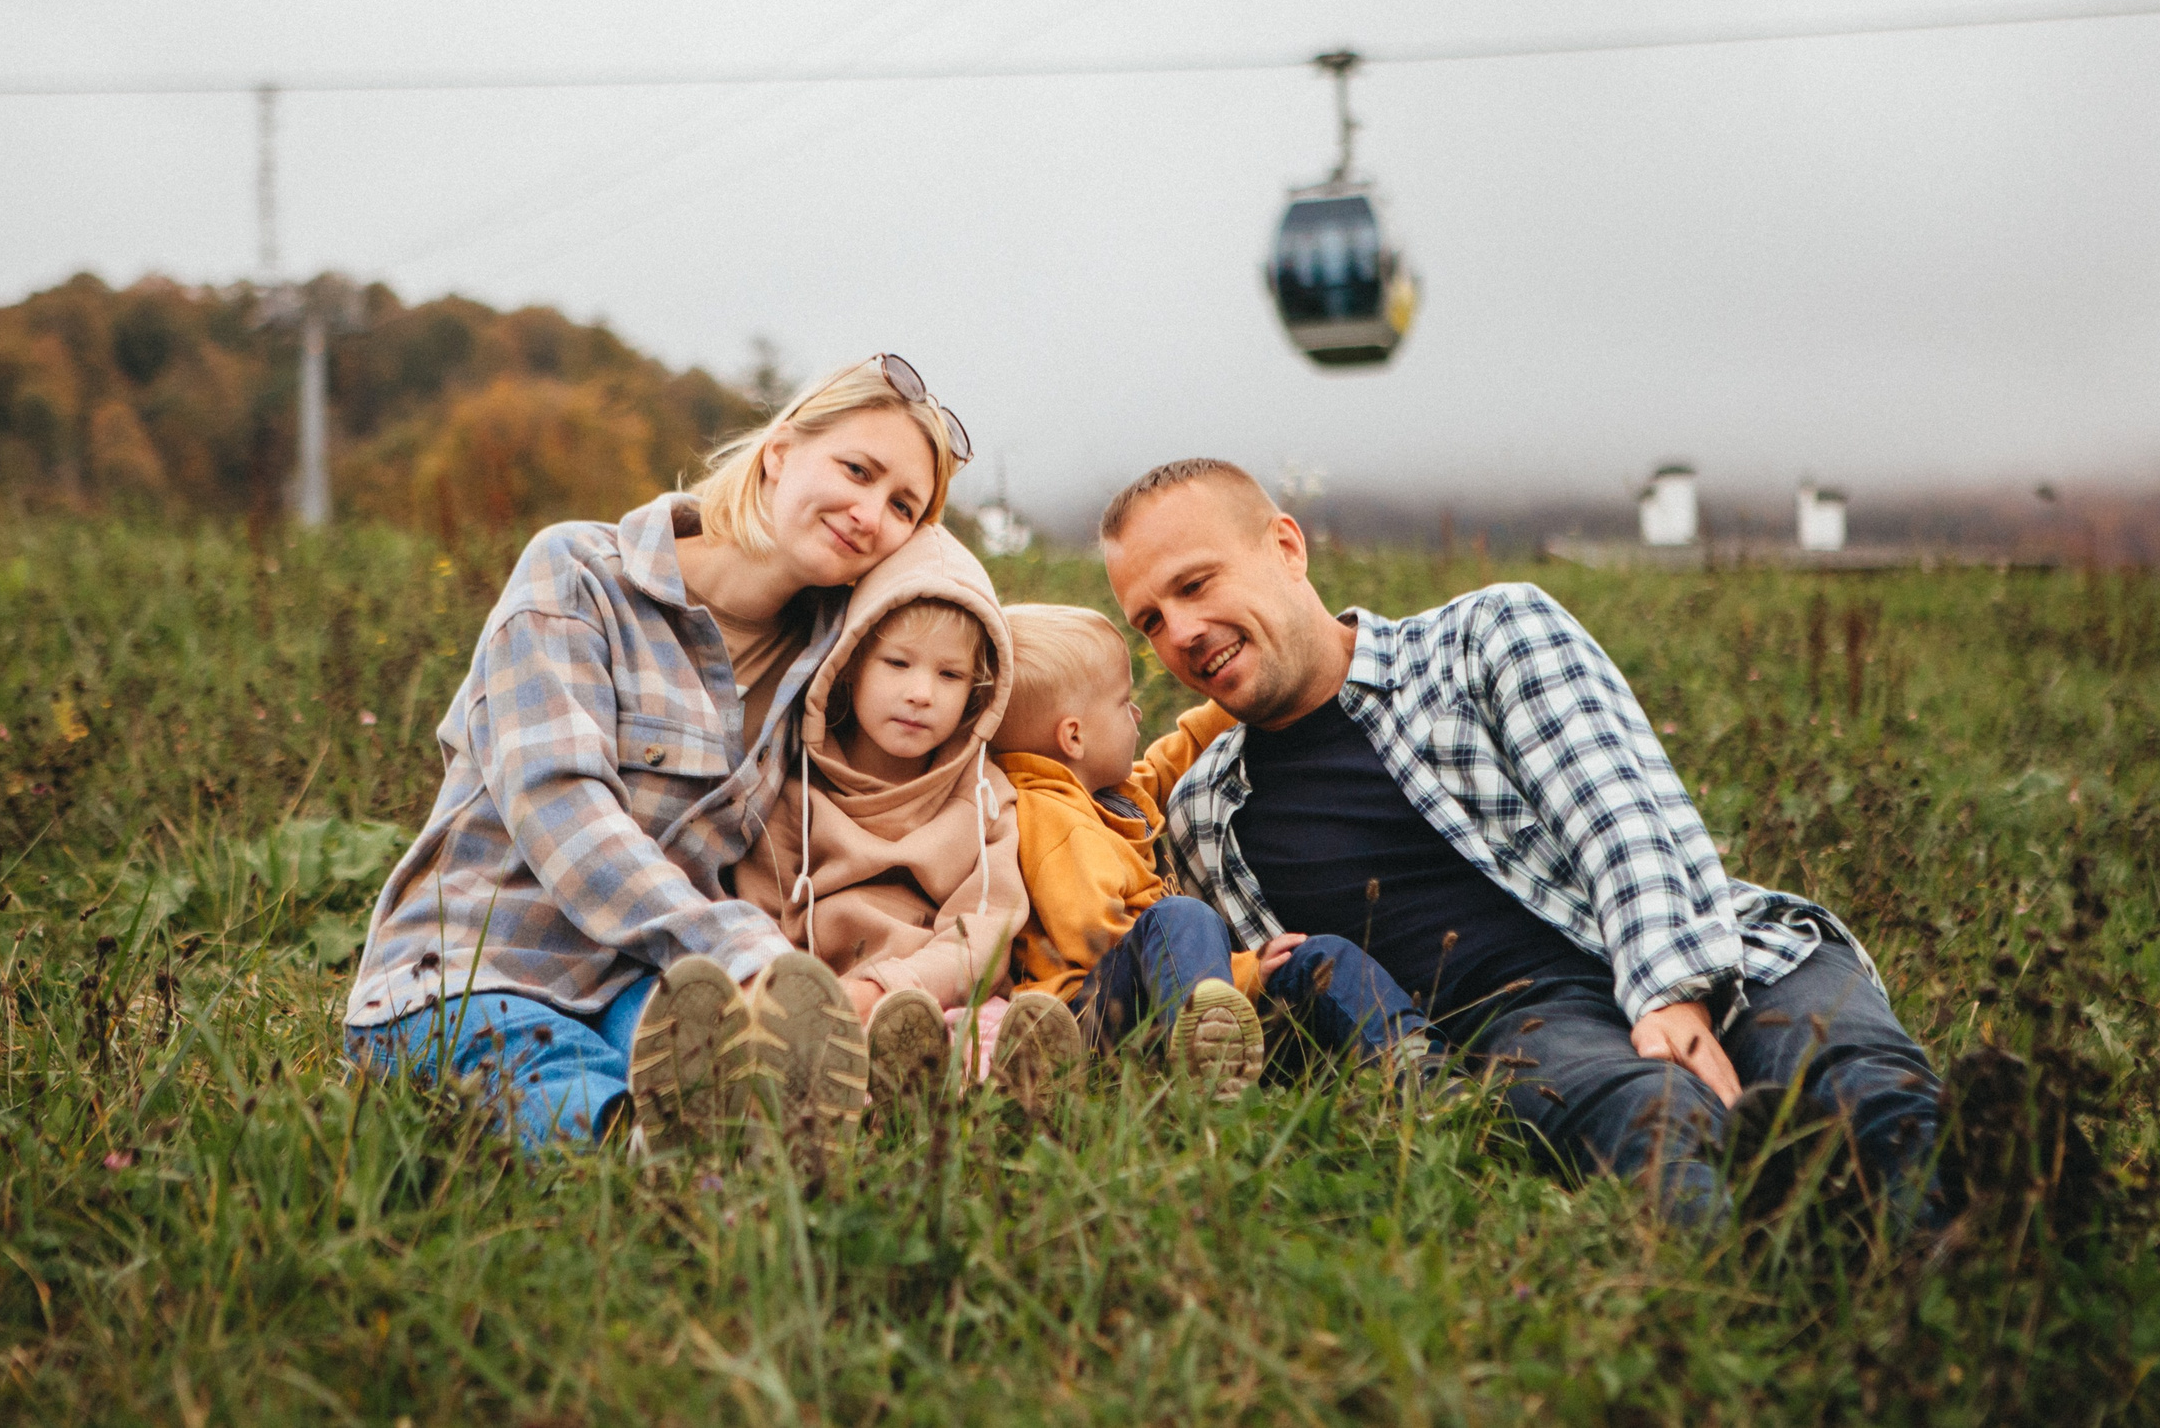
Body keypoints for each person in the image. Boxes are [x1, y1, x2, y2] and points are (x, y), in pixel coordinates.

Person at [1098, 459, 1944, 1222]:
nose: (1180, 632)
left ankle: (1983, 1229)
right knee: (1646, 1120)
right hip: (1526, 1021)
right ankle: (1781, 1260)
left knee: (1858, 1082)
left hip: (1721, 949)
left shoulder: (1483, 638)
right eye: (1150, 620)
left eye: (1197, 584)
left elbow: (1624, 815)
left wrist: (1668, 992)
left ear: (1287, 546)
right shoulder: (1210, 813)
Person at [342, 354, 971, 1150]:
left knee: (735, 1062)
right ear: (779, 451)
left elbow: (963, 636)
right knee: (559, 1074)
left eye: (903, 506)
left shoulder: (835, 663)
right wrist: (748, 953)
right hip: (471, 975)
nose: (869, 511)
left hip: (655, 989)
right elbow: (559, 807)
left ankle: (831, 1128)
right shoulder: (578, 576)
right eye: (857, 469)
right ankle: (645, 1156)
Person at [993, 602, 1446, 1101]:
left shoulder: (1099, 794)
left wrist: (1238, 693)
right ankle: (1205, 1055)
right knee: (1178, 915)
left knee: (1323, 957)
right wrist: (1239, 970)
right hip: (1097, 1017)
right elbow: (1098, 942)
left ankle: (1419, 1070)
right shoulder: (1053, 823)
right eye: (1123, 703)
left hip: (1179, 993)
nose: (1138, 712)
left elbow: (1166, 766)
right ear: (1074, 736)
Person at [735, 522, 1063, 1108]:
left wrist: (892, 989)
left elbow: (983, 934)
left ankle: (986, 1095)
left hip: (940, 994)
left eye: (949, 675)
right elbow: (757, 915)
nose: (921, 693)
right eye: (898, 663)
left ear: (978, 690)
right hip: (824, 999)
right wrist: (809, 1000)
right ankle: (830, 1098)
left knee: (990, 1028)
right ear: (852, 664)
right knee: (772, 1041)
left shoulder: (984, 795)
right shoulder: (792, 789)